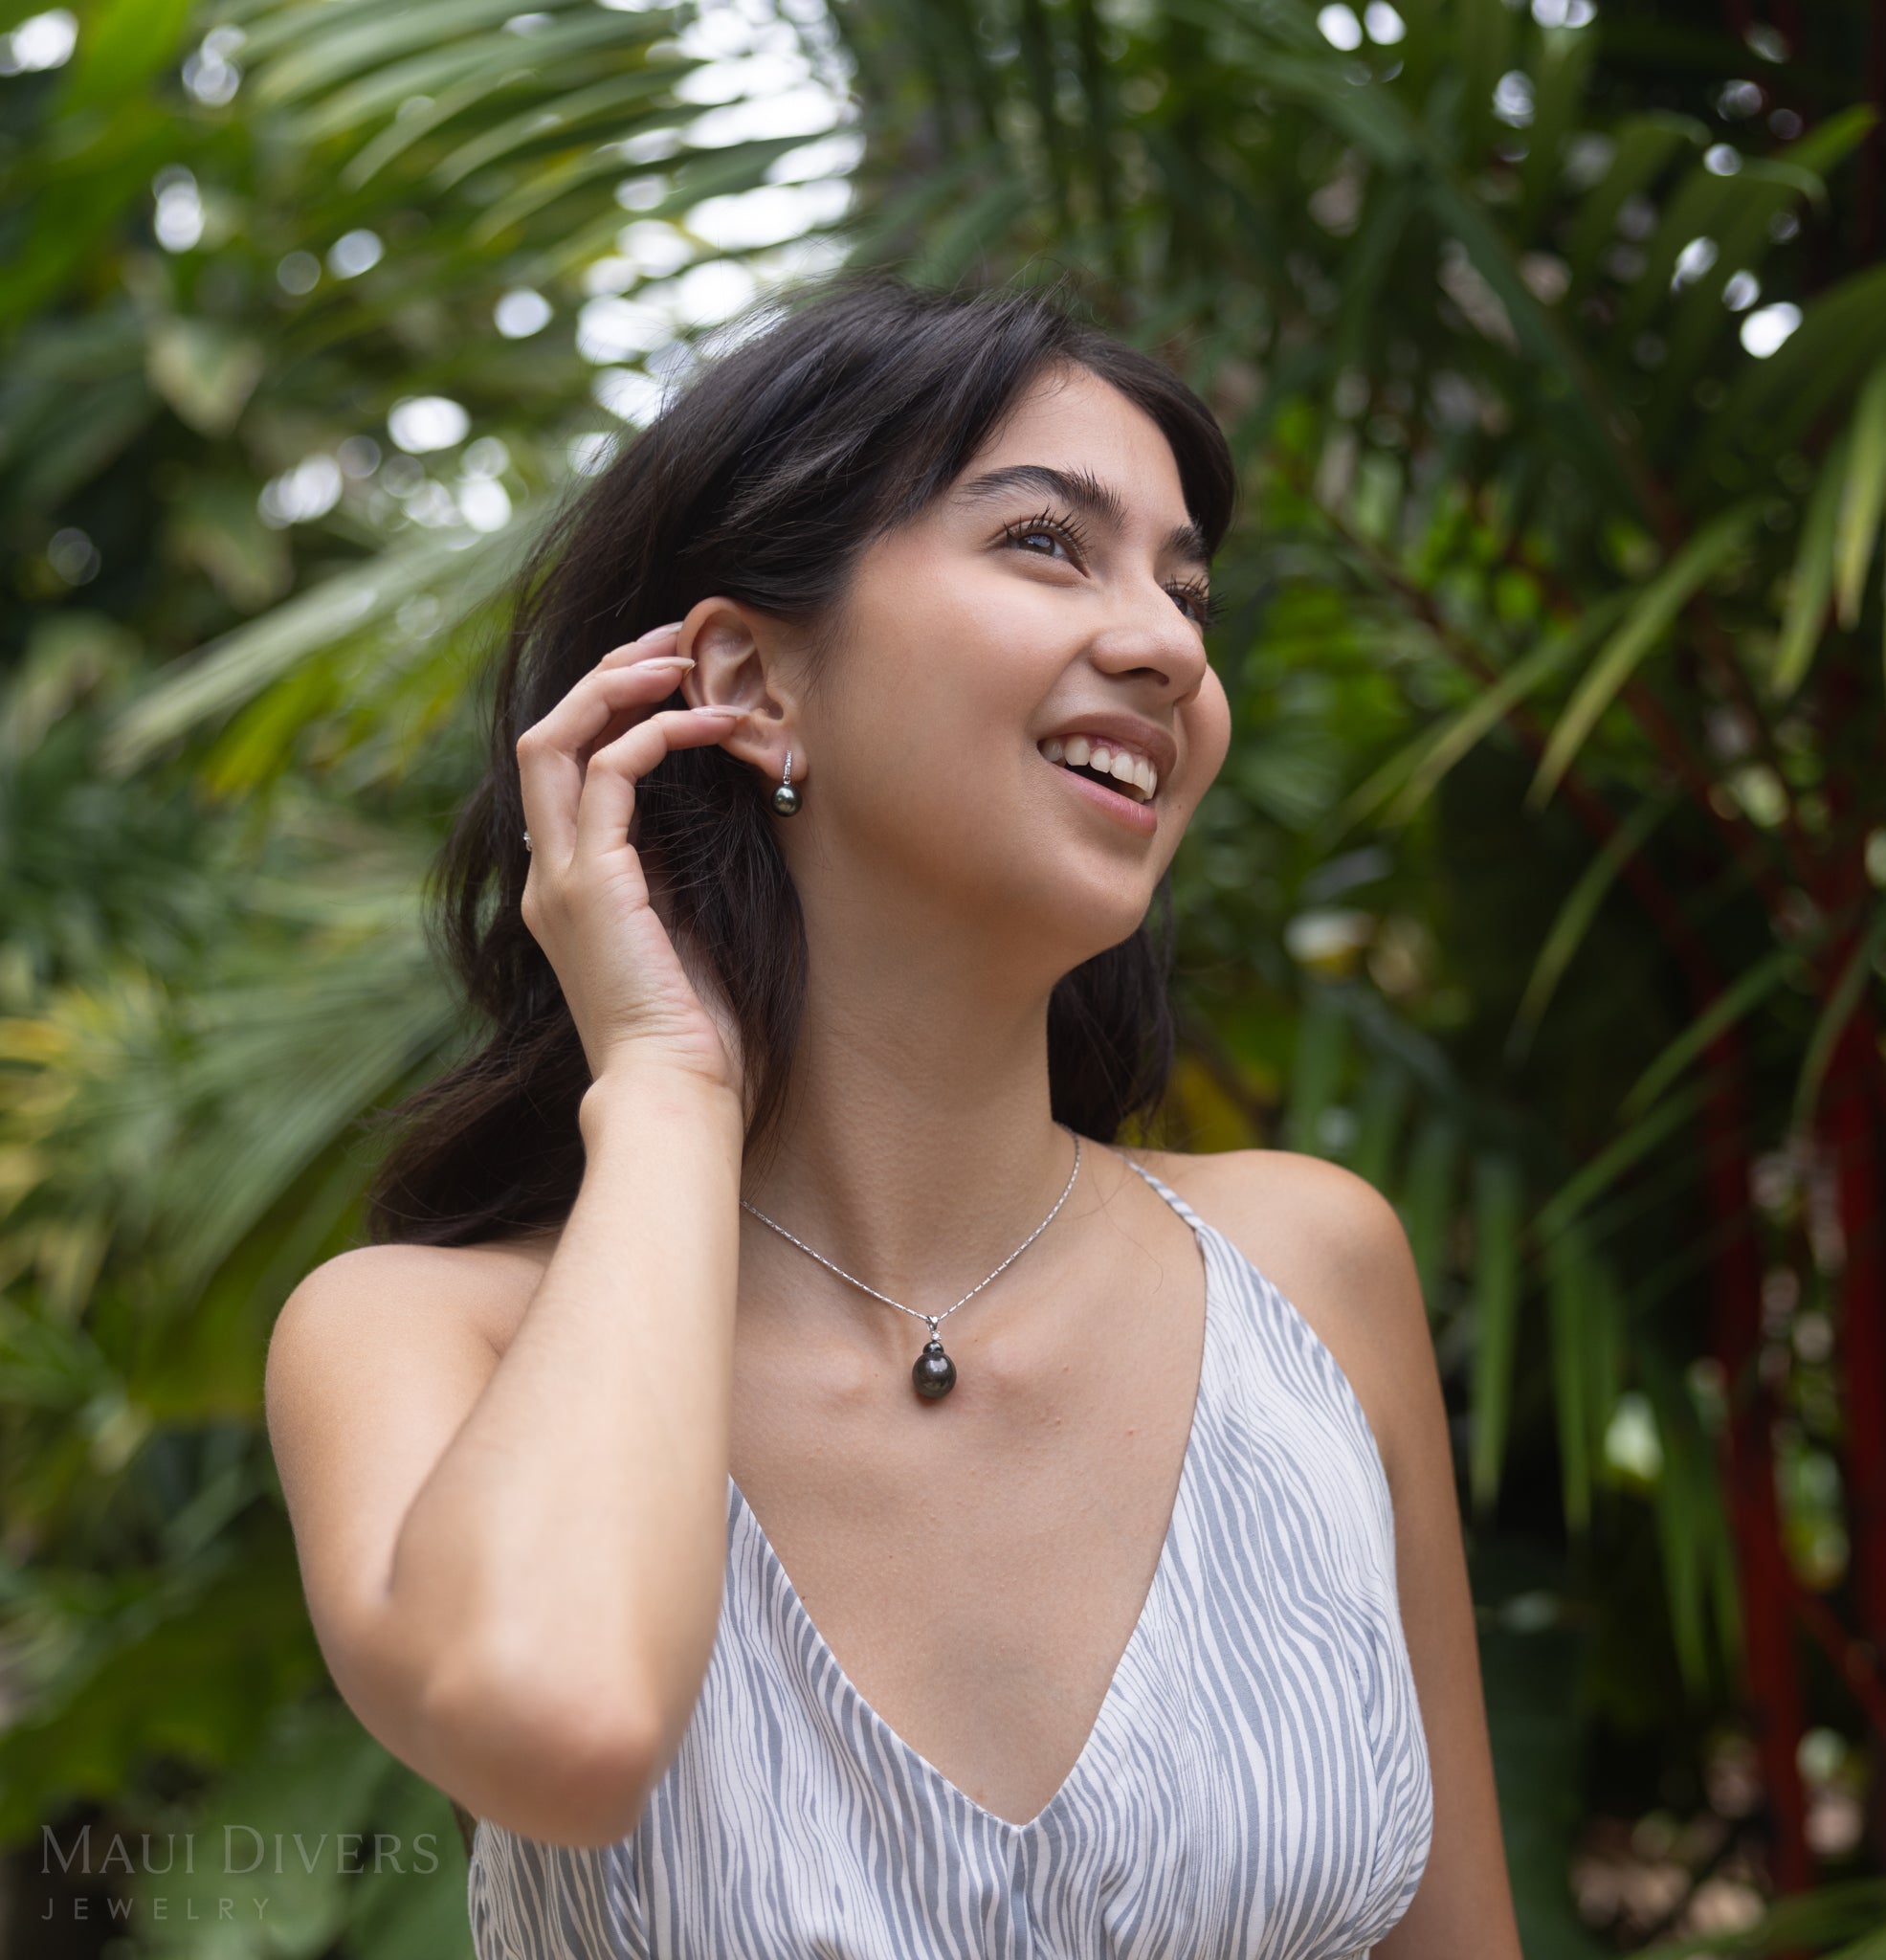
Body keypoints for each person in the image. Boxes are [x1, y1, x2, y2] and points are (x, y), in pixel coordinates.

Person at [264, 272, 1522, 1957]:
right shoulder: (424, 1337)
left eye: (1187, 586)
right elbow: (551, 1721)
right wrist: (662, 1084)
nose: (1166, 645)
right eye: (1045, 543)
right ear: (749, 680)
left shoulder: (1312, 1271)